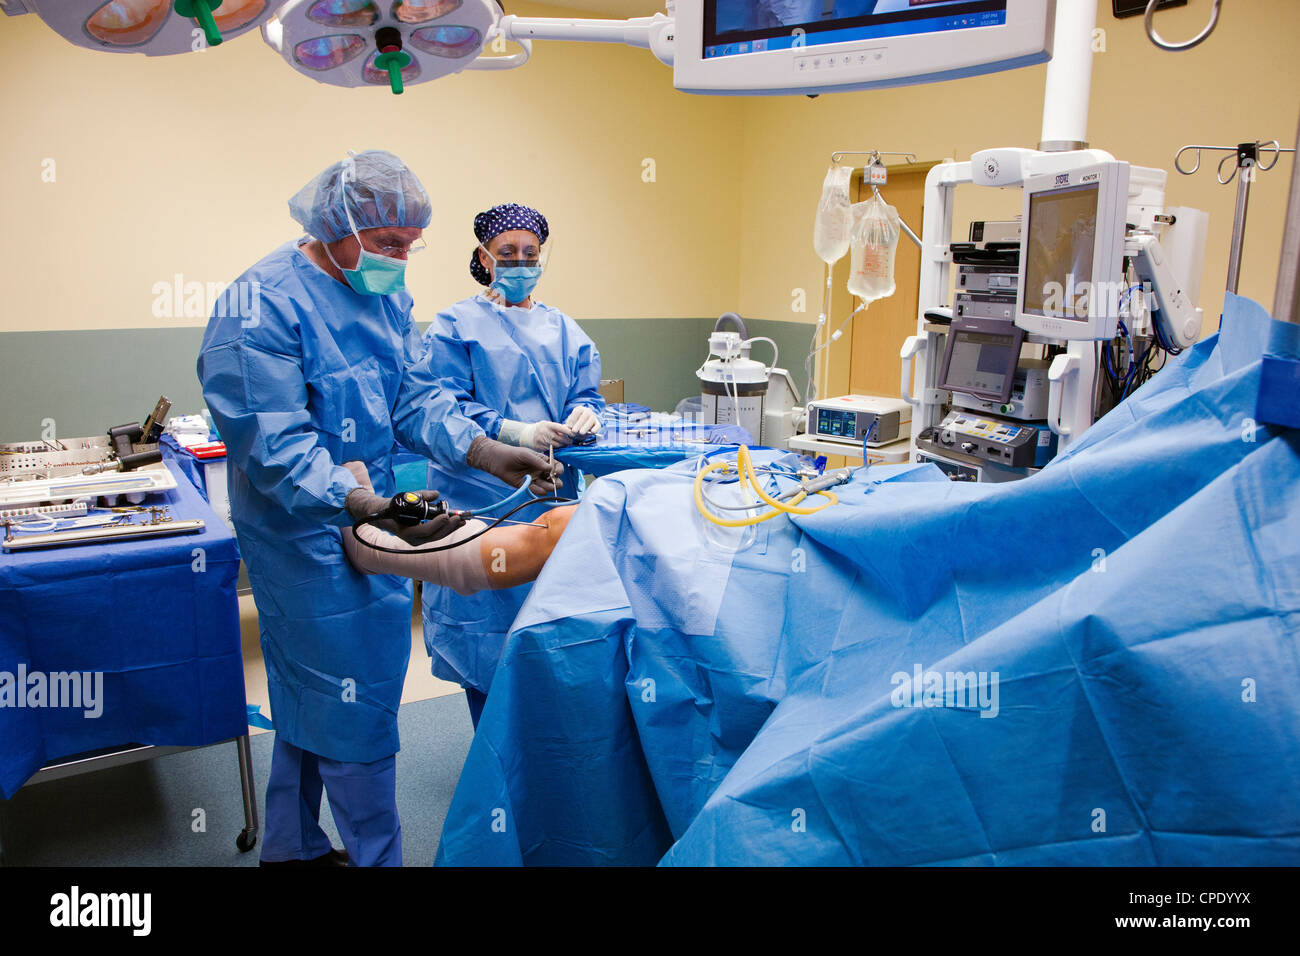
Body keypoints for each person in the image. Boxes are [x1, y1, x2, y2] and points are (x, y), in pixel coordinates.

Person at [196, 151, 560, 867]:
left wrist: (484, 449)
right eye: (388, 242)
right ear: (338, 224)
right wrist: (357, 499)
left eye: (408, 243)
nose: (400, 257)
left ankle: (291, 846)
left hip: (371, 520)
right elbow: (273, 443)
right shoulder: (261, 304)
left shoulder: (384, 295)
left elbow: (413, 397)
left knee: (315, 691)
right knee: (348, 701)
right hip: (298, 531)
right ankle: (376, 857)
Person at [420, 203, 604, 728]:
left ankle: (538, 754)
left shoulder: (564, 330)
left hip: (550, 496)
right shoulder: (455, 326)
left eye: (531, 253)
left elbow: (587, 394)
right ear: (484, 256)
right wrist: (515, 432)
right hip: (480, 498)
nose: (521, 262)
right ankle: (492, 758)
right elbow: (443, 408)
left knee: (545, 627)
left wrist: (587, 412)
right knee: (484, 628)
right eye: (507, 253)